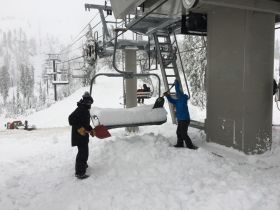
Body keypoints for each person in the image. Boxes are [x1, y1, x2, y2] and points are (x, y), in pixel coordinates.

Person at [68, 91, 95, 179]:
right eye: (89, 102)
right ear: (86, 101)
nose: (90, 104)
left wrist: (91, 130)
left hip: (83, 136)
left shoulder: (84, 109)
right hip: (79, 135)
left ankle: (83, 165)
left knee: (84, 152)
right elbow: (71, 119)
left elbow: (85, 124)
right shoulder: (81, 109)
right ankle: (79, 172)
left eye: (91, 103)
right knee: (82, 153)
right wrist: (79, 128)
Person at [164, 79, 196, 149]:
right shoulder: (177, 101)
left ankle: (190, 146)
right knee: (178, 132)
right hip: (180, 120)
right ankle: (180, 144)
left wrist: (176, 84)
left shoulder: (183, 99)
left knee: (183, 134)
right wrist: (167, 96)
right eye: (176, 95)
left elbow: (178, 91)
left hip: (185, 119)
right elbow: (171, 100)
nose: (176, 95)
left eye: (177, 94)